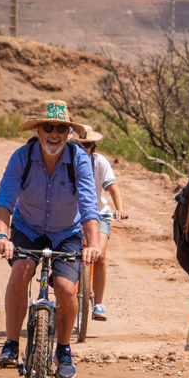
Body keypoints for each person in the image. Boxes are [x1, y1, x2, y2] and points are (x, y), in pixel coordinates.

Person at [0, 100, 102, 378]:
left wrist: (93, 246)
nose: (54, 133)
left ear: (68, 133)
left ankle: (63, 350)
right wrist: (1, 235)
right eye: (48, 127)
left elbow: (89, 207)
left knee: (66, 289)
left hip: (66, 233)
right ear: (38, 131)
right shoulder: (22, 157)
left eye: (61, 128)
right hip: (27, 228)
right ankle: (11, 344)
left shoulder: (79, 160)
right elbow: (5, 201)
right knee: (21, 272)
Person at [76, 125, 127, 321]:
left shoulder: (99, 163)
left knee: (100, 255)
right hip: (73, 218)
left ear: (93, 145)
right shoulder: (65, 162)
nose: (84, 149)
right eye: (80, 145)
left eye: (87, 145)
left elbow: (113, 189)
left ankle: (98, 303)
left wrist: (119, 208)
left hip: (99, 216)